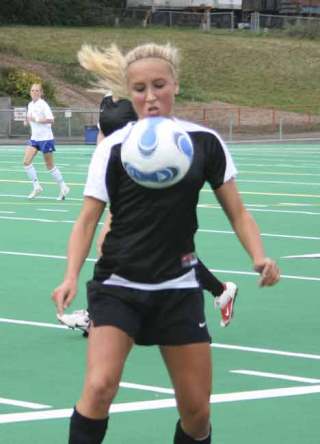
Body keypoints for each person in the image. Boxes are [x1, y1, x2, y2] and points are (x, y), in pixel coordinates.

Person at [52, 42, 280, 444]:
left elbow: (238, 212)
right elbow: (87, 219)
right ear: (129, 92)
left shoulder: (205, 142)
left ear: (176, 84)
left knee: (197, 413)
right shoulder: (113, 147)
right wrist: (70, 275)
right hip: (119, 284)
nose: (150, 96)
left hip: (177, 288)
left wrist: (258, 255)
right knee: (100, 385)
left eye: (159, 85)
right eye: (139, 88)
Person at [57, 88, 237, 333]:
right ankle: (221, 289)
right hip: (115, 179)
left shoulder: (136, 101)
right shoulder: (106, 101)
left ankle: (96, 315)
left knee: (111, 246)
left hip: (139, 184)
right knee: (166, 251)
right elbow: (103, 135)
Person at [23, 83, 70, 200]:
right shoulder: (30, 104)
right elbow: (29, 117)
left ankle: (63, 186)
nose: (34, 92)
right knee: (26, 162)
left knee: (49, 166)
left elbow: (51, 119)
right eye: (32, 90)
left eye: (37, 91)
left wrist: (37, 119)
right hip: (34, 138)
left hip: (46, 139)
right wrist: (27, 120)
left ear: (41, 93)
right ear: (30, 92)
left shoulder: (43, 105)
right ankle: (36, 186)